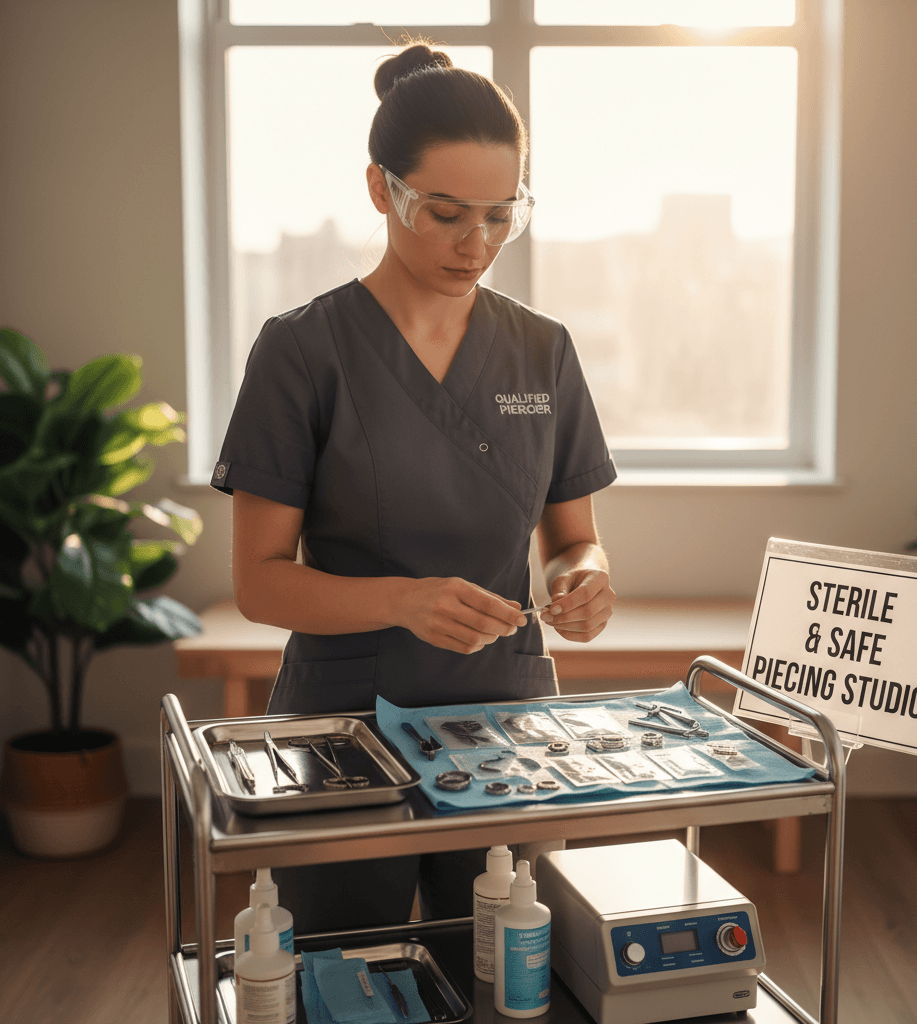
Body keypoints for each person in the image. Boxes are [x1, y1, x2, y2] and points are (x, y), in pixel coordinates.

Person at [211, 42, 617, 932]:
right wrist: (404, 601)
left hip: (506, 718)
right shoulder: (302, 352)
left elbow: (571, 535)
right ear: (380, 189)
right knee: (340, 968)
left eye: (502, 215)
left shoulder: (542, 350)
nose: (477, 245)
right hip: (344, 720)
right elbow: (258, 582)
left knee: (510, 967)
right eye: (445, 213)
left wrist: (580, 578)